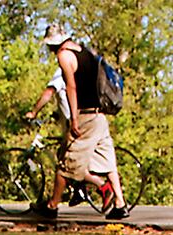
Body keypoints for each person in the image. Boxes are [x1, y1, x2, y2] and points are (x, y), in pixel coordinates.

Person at [31, 24, 128, 221]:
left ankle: (52, 207)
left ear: (52, 44)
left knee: (66, 163)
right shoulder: (86, 52)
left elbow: (71, 88)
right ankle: (120, 204)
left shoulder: (64, 56)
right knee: (108, 163)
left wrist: (74, 118)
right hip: (100, 116)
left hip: (85, 117)